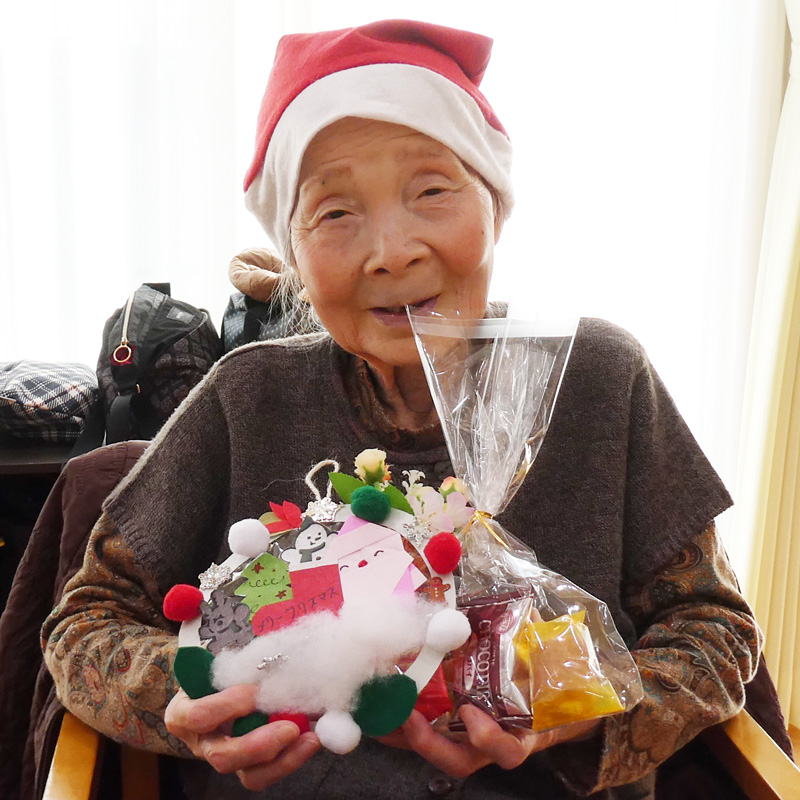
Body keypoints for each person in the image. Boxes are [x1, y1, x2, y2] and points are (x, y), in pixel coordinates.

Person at [42, 19, 761, 800]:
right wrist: (202, 689)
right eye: (335, 213)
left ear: (496, 207)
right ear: (293, 254)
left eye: (432, 191)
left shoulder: (598, 378)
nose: (392, 252)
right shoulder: (246, 398)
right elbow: (84, 624)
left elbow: (715, 632)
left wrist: (578, 711)